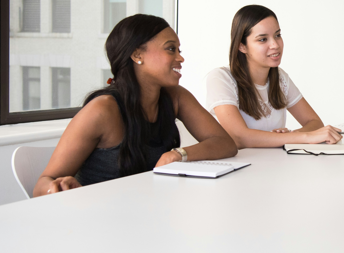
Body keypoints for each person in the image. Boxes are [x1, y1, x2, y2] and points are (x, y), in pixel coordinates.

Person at [33, 15, 237, 196]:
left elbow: (225, 144)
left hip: (147, 212)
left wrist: (178, 154)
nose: (180, 57)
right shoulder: (102, 110)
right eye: (170, 49)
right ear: (137, 55)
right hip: (99, 220)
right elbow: (41, 185)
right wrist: (57, 187)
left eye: (178, 50)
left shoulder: (175, 97)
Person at [206, 5, 342, 148]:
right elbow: (239, 137)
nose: (275, 45)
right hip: (240, 167)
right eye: (263, 39)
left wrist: (288, 137)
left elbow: (314, 122)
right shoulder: (221, 78)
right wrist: (296, 137)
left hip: (274, 165)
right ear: (242, 46)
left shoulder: (280, 77)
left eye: (277, 35)